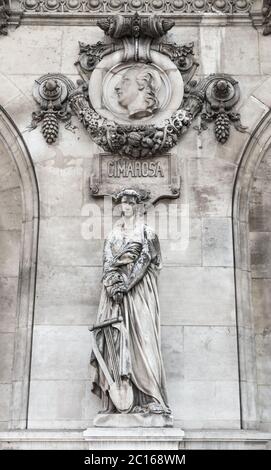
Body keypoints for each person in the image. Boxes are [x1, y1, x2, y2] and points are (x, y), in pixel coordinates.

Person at [90, 189, 171, 416]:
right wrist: (114, 286)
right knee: (116, 342)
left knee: (144, 342)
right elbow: (107, 264)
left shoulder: (147, 233)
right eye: (122, 203)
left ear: (137, 206)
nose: (125, 207)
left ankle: (152, 397)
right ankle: (119, 399)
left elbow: (148, 261)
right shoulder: (113, 235)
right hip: (115, 297)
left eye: (129, 203)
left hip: (139, 295)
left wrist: (127, 284)